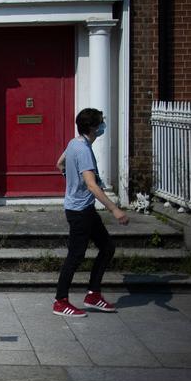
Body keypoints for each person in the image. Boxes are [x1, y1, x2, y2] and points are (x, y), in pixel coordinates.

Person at [53, 108, 129, 317]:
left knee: (107, 247)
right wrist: (115, 209)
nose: (103, 126)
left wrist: (72, 183)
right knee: (75, 256)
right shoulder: (84, 151)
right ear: (94, 128)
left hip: (82, 209)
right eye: (101, 123)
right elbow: (92, 185)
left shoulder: (74, 143)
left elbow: (59, 164)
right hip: (80, 212)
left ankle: (93, 294)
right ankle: (60, 301)